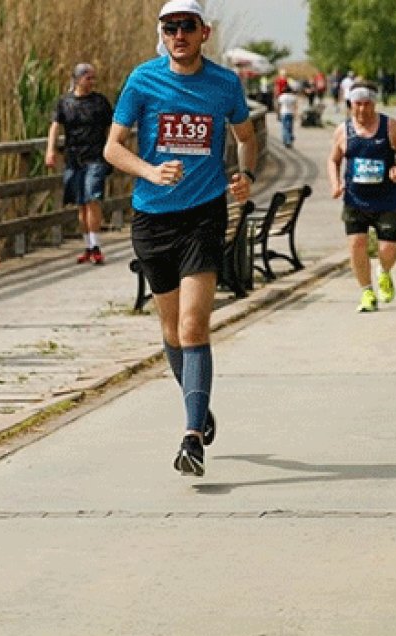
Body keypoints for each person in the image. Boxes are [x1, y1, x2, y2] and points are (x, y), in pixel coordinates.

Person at [103, 0, 257, 478]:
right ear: (162, 35)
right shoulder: (143, 80)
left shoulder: (224, 83)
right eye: (170, 28)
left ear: (204, 33)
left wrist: (245, 173)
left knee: (193, 328)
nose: (179, 35)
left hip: (204, 215)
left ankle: (191, 438)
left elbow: (246, 137)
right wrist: (150, 169)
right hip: (153, 219)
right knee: (170, 332)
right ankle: (198, 404)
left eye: (187, 27)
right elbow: (112, 147)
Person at [328, 84, 396, 313]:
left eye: (367, 104)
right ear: (350, 105)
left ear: (374, 104)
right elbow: (333, 160)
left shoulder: (389, 126)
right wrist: (336, 184)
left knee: (388, 251)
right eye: (357, 104)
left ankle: (384, 272)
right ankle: (366, 292)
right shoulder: (343, 130)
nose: (362, 110)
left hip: (385, 198)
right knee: (357, 244)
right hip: (355, 199)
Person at [45, 63, 114, 265]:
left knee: (93, 198)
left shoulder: (100, 102)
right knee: (81, 203)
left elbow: (111, 127)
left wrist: (112, 150)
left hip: (96, 155)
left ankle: (95, 245)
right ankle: (87, 245)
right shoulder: (65, 102)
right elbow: (55, 127)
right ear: (77, 79)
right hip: (74, 157)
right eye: (88, 78)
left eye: (94, 78)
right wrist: (50, 150)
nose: (92, 82)